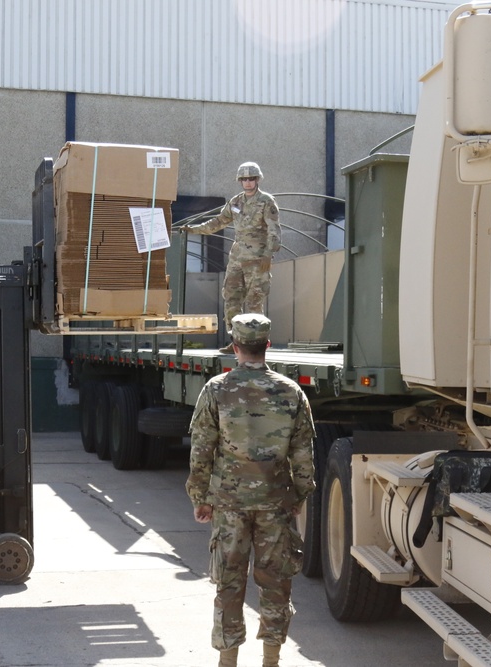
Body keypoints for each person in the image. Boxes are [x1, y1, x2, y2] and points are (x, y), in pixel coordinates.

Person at [186, 313, 315, 667]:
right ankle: (271, 660)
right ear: (267, 345)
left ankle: (228, 661)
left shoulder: (217, 389)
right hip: (276, 503)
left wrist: (201, 498)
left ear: (235, 347)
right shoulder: (291, 392)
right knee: (275, 583)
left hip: (229, 505)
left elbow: (201, 449)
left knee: (229, 583)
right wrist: (300, 497)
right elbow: (303, 454)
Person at [184, 162, 281, 354]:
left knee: (254, 301)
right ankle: (237, 342)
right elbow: (219, 221)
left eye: (251, 179)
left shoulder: (266, 201)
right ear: (239, 181)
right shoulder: (236, 202)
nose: (247, 182)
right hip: (237, 258)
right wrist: (194, 229)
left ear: (257, 180)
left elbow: (274, 229)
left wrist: (269, 254)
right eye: (244, 179)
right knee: (231, 298)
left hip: (257, 259)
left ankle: (256, 344)